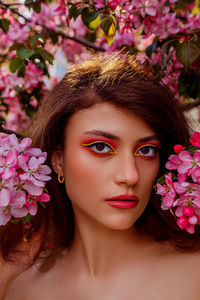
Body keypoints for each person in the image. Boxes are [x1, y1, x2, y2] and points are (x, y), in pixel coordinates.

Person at [3, 52, 200, 300]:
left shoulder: (194, 273)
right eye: (101, 147)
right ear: (58, 161)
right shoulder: (15, 285)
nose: (130, 176)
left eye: (146, 151)